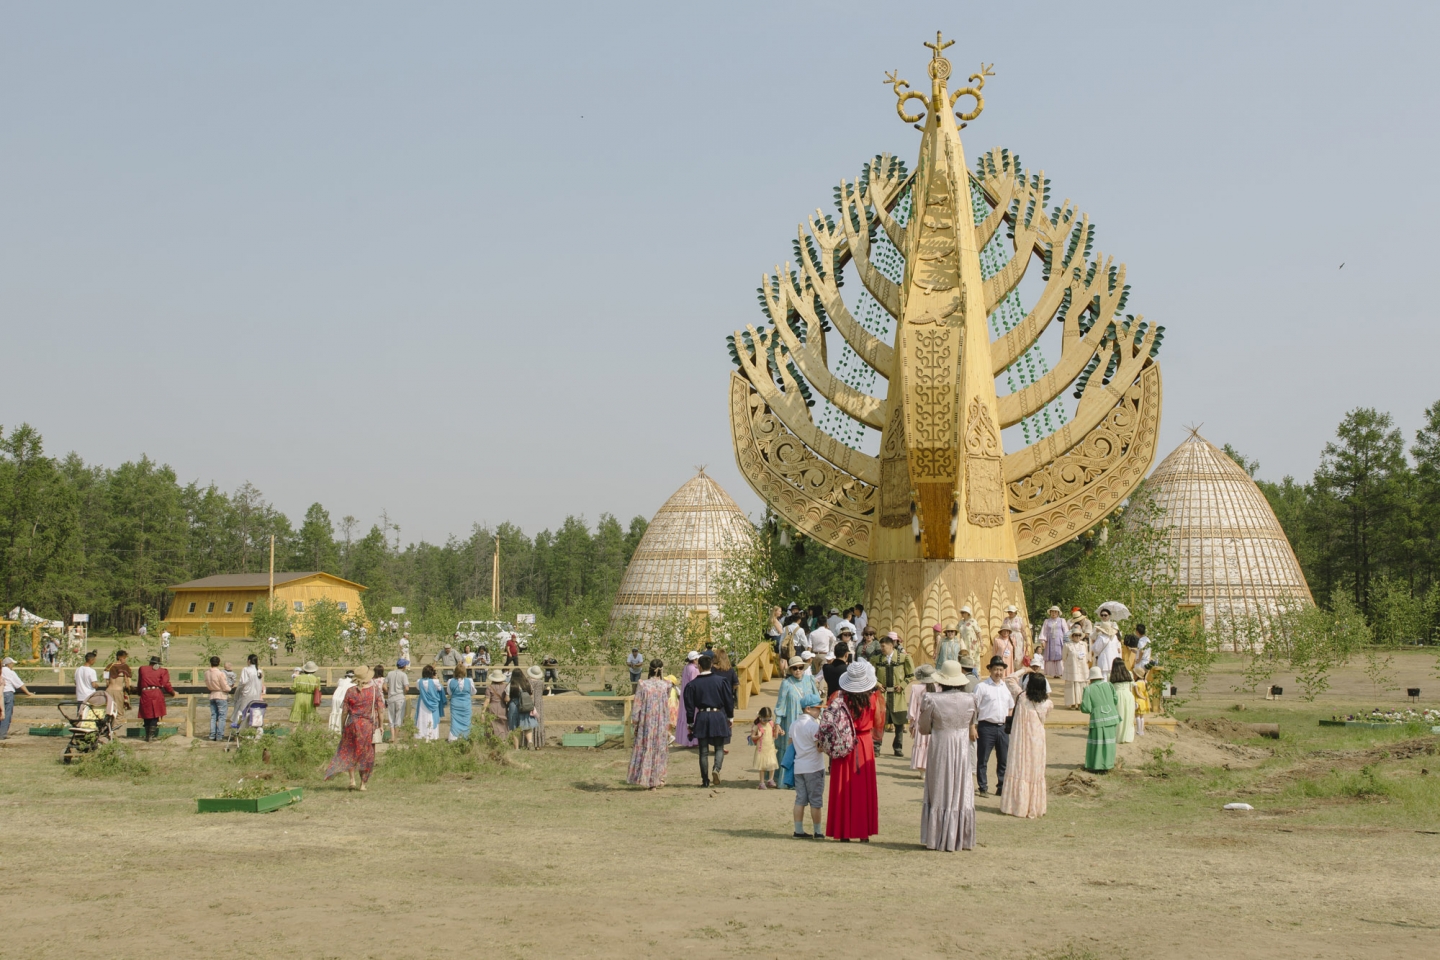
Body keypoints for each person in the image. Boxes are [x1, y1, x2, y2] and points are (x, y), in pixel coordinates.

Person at [919, 660, 979, 851]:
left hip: (941, 746)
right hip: (961, 747)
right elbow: (972, 722)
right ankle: (959, 836)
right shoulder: (971, 699)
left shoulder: (932, 699)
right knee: (961, 788)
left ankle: (937, 836)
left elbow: (923, 728)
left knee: (939, 786)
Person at [827, 661, 882, 842]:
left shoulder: (838, 697)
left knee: (843, 785)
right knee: (863, 788)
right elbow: (878, 722)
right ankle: (863, 831)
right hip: (864, 743)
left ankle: (843, 831)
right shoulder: (874, 698)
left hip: (844, 741)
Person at [1000, 668, 1053, 818]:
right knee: (1035, 772)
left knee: (1019, 768)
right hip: (1037, 741)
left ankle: (1016, 806)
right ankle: (1034, 806)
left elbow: (1009, 678)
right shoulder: (1048, 704)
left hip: (1021, 741)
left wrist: (1024, 670)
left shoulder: (1021, 697)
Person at [324, 664, 381, 790]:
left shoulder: (350, 691)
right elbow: (380, 710)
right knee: (366, 754)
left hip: (352, 724)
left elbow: (344, 711)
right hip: (367, 726)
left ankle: (352, 780)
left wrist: (343, 725)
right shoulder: (374, 690)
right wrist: (381, 725)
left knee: (351, 751)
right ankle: (363, 784)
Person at [683, 654, 733, 787]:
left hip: (702, 716)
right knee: (719, 747)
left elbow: (689, 706)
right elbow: (729, 700)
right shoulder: (721, 681)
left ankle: (705, 781)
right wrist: (730, 716)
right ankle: (716, 769)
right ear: (711, 665)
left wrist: (690, 723)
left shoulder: (692, 685)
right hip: (717, 715)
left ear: (699, 666)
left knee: (703, 751)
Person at [973, 656, 1015, 796]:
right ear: (990, 669)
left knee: (1003, 759)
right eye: (996, 669)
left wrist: (1008, 726)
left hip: (1002, 727)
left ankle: (1001, 786)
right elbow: (974, 708)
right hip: (986, 727)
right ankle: (983, 787)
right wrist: (973, 726)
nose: (998, 672)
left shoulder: (1005, 688)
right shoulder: (982, 687)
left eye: (1001, 669)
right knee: (983, 759)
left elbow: (1010, 707)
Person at [628, 659, 672, 788]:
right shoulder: (667, 685)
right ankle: (658, 778)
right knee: (659, 749)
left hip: (646, 722)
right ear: (661, 670)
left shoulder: (643, 685)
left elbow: (637, 706)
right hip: (661, 722)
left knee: (646, 747)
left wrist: (635, 722)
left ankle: (645, 778)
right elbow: (666, 702)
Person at [870, 632, 914, 757]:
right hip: (882, 696)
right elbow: (871, 676)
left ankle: (898, 748)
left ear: (891, 646)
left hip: (897, 696)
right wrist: (878, 684)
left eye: (883, 646)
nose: (881, 649)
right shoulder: (876, 660)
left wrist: (903, 685)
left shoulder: (903, 658)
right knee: (880, 723)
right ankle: (876, 747)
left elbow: (910, 676)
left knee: (899, 724)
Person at [789, 692, 825, 838]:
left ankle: (798, 830)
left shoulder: (794, 724)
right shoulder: (813, 726)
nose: (820, 711)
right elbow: (819, 747)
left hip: (799, 767)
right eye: (818, 708)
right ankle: (818, 831)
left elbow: (790, 745)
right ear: (808, 709)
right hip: (814, 767)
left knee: (800, 799)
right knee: (815, 801)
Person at [1080, 665, 1120, 772]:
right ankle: (1108, 764)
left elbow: (1086, 708)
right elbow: (1116, 700)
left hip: (1097, 718)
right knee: (1109, 742)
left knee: (1097, 742)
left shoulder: (1088, 689)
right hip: (1112, 716)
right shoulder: (1109, 685)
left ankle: (1096, 765)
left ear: (1091, 678)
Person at [136, 655, 176, 742]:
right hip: (156, 693)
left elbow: (139, 682)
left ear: (150, 662)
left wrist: (139, 692)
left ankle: (147, 735)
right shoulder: (162, 671)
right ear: (158, 664)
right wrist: (172, 692)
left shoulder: (142, 669)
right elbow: (166, 684)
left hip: (145, 693)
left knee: (146, 714)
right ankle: (151, 736)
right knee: (155, 714)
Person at [1, 657, 33, 741]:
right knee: (7, 714)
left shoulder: (1, 671)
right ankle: (2, 733)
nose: (13, 666)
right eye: (12, 664)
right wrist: (28, 693)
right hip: (7, 693)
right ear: (9, 664)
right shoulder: (10, 672)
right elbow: (19, 684)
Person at [506, 667, 538, 748]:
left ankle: (516, 748)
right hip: (525, 705)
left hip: (514, 705)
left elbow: (507, 698)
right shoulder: (527, 684)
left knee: (514, 726)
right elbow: (531, 696)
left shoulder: (511, 685)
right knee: (527, 725)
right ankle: (530, 742)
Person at [750, 706, 781, 789]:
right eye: (764, 719)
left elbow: (774, 733)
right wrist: (758, 736)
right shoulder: (758, 726)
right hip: (762, 749)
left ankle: (771, 780)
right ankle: (761, 782)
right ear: (760, 717)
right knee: (762, 767)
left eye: (768, 719)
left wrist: (780, 732)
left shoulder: (771, 724)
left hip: (770, 748)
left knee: (772, 764)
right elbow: (752, 736)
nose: (766, 721)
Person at [234, 654, 266, 733]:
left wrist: (237, 692)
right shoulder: (259, 671)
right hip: (256, 695)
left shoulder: (246, 669)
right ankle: (254, 730)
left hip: (247, 694)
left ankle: (240, 730)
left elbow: (243, 682)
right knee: (255, 712)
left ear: (249, 661)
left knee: (242, 712)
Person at [675, 652, 701, 747]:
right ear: (694, 660)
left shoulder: (687, 667)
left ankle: (686, 740)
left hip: (685, 694)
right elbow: (695, 684)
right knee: (693, 715)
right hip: (691, 695)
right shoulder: (693, 669)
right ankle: (693, 741)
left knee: (685, 715)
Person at [414, 665, 446, 741]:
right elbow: (440, 688)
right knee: (432, 719)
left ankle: (421, 735)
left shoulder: (419, 681)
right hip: (433, 703)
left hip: (423, 703)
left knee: (422, 719)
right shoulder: (435, 682)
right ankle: (432, 736)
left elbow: (418, 688)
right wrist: (435, 678)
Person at [1062, 624, 1090, 708]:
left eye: (1079, 635)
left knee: (1082, 685)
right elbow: (1064, 657)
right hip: (1072, 668)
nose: (1077, 637)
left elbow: (1087, 656)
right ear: (1072, 636)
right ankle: (1073, 703)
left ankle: (1081, 703)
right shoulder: (1067, 645)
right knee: (1072, 685)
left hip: (1082, 668)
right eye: (1075, 635)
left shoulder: (1084, 644)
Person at [446, 666, 476, 740]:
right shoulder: (469, 680)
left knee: (455, 721)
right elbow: (473, 692)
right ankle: (466, 736)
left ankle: (454, 737)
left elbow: (449, 692)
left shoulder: (450, 681)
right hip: (466, 704)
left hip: (455, 704)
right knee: (467, 720)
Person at [103, 650, 133, 723]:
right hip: (118, 691)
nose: (125, 660)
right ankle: (113, 730)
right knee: (119, 713)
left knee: (109, 712)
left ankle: (108, 729)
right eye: (124, 658)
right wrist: (128, 691)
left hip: (109, 691)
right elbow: (127, 682)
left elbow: (106, 682)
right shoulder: (124, 667)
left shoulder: (109, 666)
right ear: (120, 657)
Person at [1112, 661, 1137, 744]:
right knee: (1129, 716)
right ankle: (1127, 737)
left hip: (1117, 695)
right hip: (1128, 696)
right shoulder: (1129, 673)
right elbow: (1132, 685)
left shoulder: (1111, 675)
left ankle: (1118, 736)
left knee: (1119, 716)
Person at [1091, 608, 1122, 676]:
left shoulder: (1113, 624)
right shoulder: (1097, 624)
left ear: (1109, 616)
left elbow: (1117, 637)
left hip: (1110, 648)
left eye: (1105, 615)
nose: (1103, 617)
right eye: (1101, 615)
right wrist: (1096, 631)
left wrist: (1118, 647)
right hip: (1100, 649)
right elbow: (1092, 637)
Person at [1040, 606, 1068, 678]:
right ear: (1050, 612)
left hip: (1060, 640)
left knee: (1060, 655)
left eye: (1055, 612)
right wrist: (1043, 640)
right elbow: (1044, 631)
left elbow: (1065, 631)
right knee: (1050, 655)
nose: (1054, 613)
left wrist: (1066, 641)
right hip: (1050, 641)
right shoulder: (1047, 621)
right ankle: (1053, 673)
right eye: (1052, 612)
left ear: (1058, 613)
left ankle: (1061, 672)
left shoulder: (1062, 620)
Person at [384, 660, 410, 733]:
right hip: (400, 697)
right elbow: (407, 688)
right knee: (399, 718)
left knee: (391, 718)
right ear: (404, 666)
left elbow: (384, 686)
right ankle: (395, 737)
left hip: (391, 697)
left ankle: (392, 736)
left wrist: (388, 692)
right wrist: (404, 693)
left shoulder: (389, 673)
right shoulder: (403, 675)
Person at [525, 664, 546, 748]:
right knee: (538, 720)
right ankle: (538, 743)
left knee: (528, 720)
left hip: (529, 701)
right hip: (538, 702)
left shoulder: (527, 681)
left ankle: (528, 742)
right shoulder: (541, 682)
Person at [485, 668, 508, 740]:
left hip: (492, 706)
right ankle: (503, 740)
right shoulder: (505, 686)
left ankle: (493, 740)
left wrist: (483, 711)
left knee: (492, 724)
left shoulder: (489, 687)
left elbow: (487, 700)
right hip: (502, 706)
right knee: (503, 724)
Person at [1132, 663, 1151, 736]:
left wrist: (1141, 697)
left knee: (1137, 716)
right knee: (1142, 717)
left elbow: (1137, 693)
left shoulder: (1136, 683)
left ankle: (1138, 730)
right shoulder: (1144, 682)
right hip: (1143, 701)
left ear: (1136, 675)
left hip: (1138, 700)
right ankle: (1142, 730)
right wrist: (1144, 698)